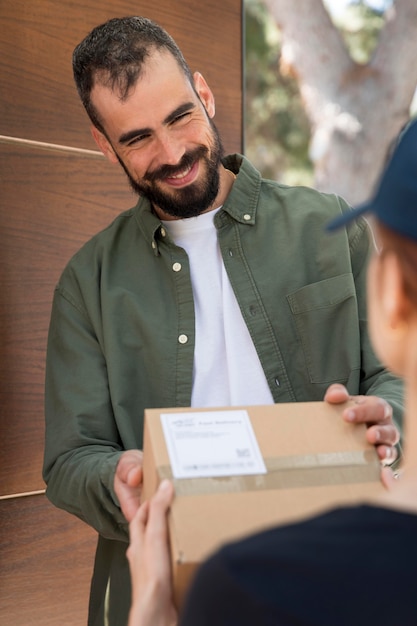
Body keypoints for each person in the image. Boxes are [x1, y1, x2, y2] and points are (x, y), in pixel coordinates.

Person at [42, 16, 403, 626]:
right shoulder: (88, 282)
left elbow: (399, 374)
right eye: (137, 139)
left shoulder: (330, 228)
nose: (172, 153)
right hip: (177, 596)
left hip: (337, 579)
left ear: (204, 94)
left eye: (181, 116)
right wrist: (122, 476)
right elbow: (71, 459)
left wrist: (391, 418)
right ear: (106, 146)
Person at [126, 118, 417, 626]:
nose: (170, 149)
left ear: (392, 294)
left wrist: (152, 614)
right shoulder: (89, 278)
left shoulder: (247, 587)